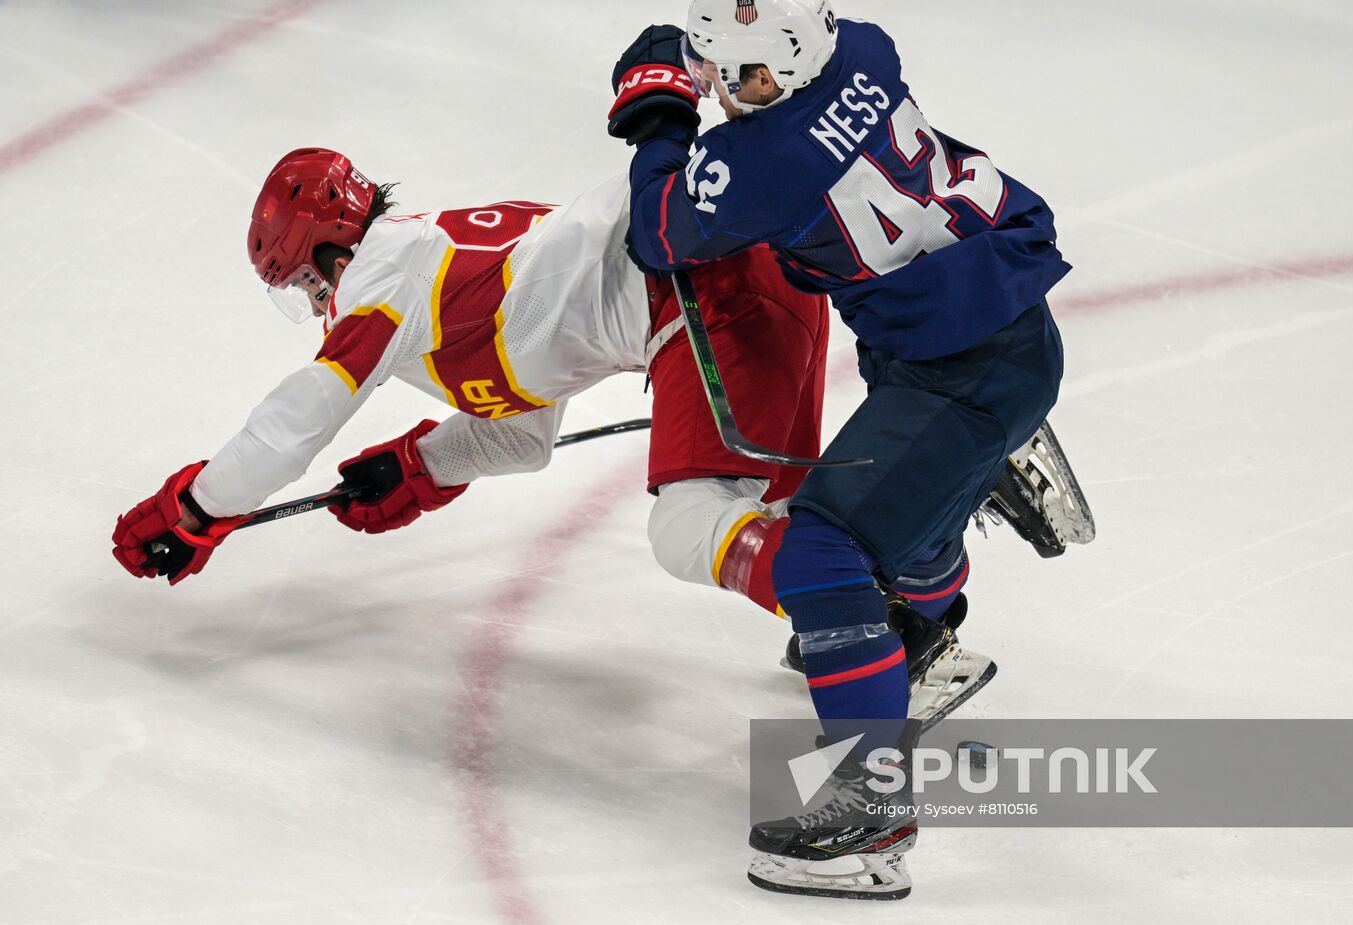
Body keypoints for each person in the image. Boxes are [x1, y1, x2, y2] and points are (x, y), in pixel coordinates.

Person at [607, 0, 1070, 900]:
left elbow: (659, 231)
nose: (716, 89)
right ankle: (931, 620)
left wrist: (659, 116)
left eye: (723, 75)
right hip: (990, 327)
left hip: (962, 371)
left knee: (822, 546)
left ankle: (870, 809)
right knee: (897, 519)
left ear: (768, 74)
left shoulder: (764, 161)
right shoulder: (862, 47)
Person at [109, 149, 831, 625]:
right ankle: (907, 612)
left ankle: (853, 621)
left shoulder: (378, 282)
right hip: (772, 277)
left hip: (707, 300)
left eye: (303, 280)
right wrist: (424, 466)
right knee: (786, 503)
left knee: (691, 525)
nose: (314, 301)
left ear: (331, 250)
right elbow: (523, 433)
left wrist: (197, 507)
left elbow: (296, 421)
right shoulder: (454, 265)